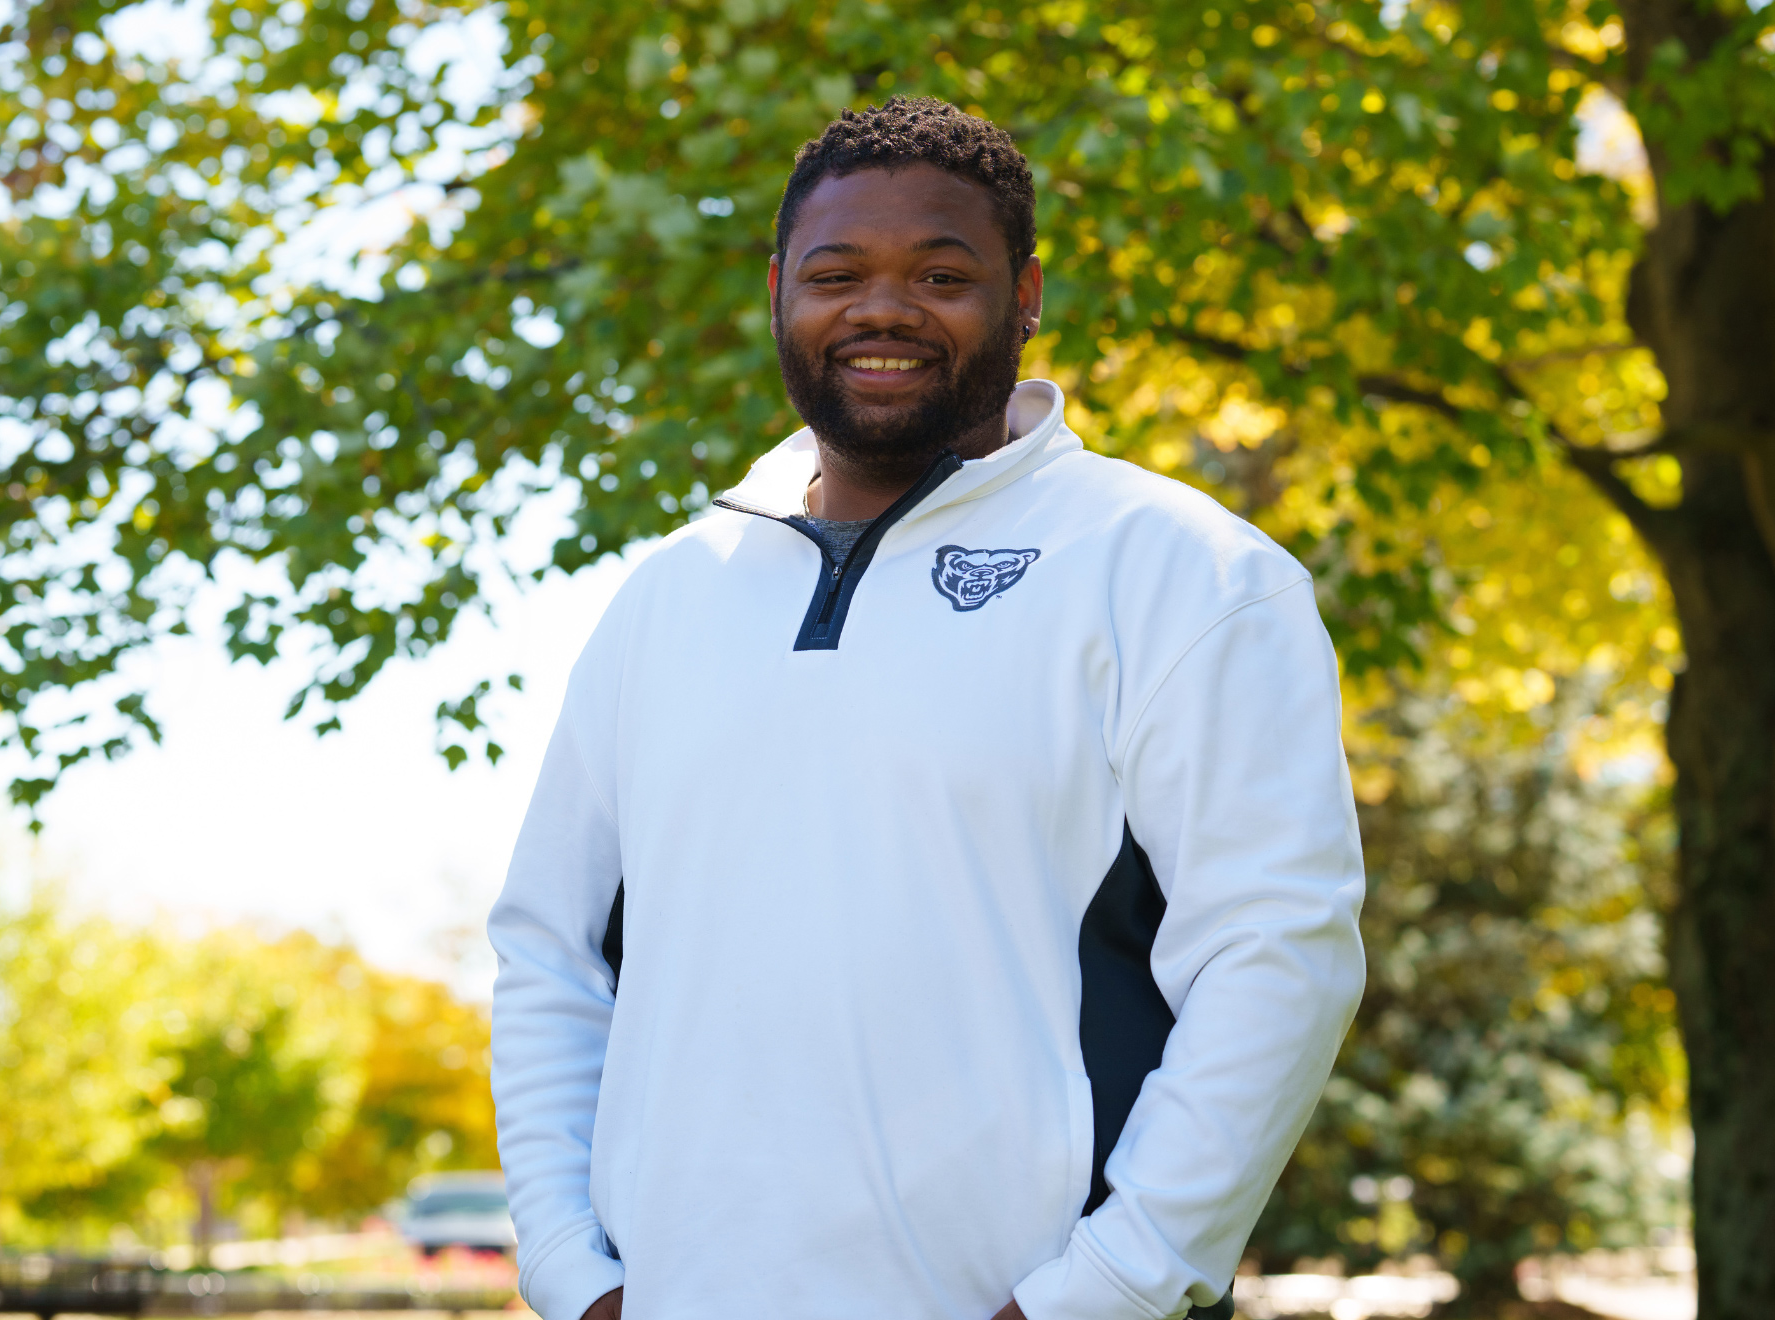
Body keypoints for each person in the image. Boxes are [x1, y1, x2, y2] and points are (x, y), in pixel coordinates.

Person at [487, 96, 1365, 1320]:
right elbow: (550, 950)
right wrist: (570, 1270)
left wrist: (1105, 1290)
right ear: (780, 291)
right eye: (835, 272)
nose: (881, 307)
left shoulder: (1181, 571)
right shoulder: (668, 596)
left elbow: (1278, 956)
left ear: (1026, 295)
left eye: (941, 273)